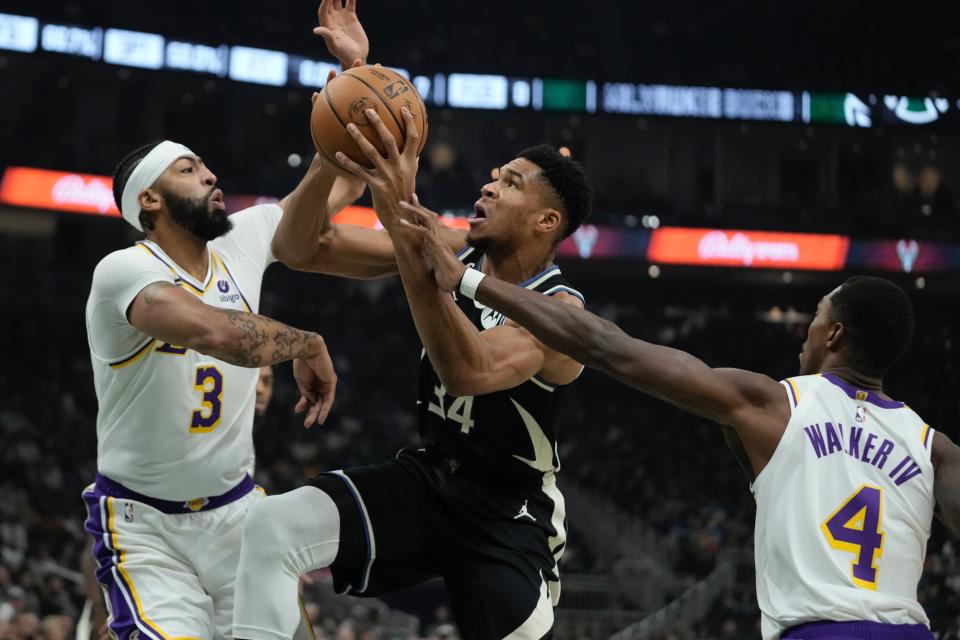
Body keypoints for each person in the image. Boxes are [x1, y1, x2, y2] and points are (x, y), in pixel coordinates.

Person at [397, 206, 960, 640]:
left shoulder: (774, 404)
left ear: (833, 335)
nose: (806, 332)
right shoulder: (936, 449)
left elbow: (604, 345)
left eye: (814, 319)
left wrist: (466, 281)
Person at [231, 107, 594, 637]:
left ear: (546, 222)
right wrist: (332, 148)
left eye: (511, 184)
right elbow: (299, 247)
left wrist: (402, 226)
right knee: (269, 527)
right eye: (493, 177)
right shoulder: (455, 249)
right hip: (431, 479)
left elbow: (470, 370)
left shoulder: (560, 313)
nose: (490, 187)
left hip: (508, 515)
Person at [81, 2, 369, 638]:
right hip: (146, 528)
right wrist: (305, 342)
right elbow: (220, 333)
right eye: (188, 169)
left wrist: (355, 76)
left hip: (239, 516)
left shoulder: (243, 236)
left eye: (205, 165)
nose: (210, 174)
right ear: (148, 201)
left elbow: (336, 185)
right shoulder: (122, 272)